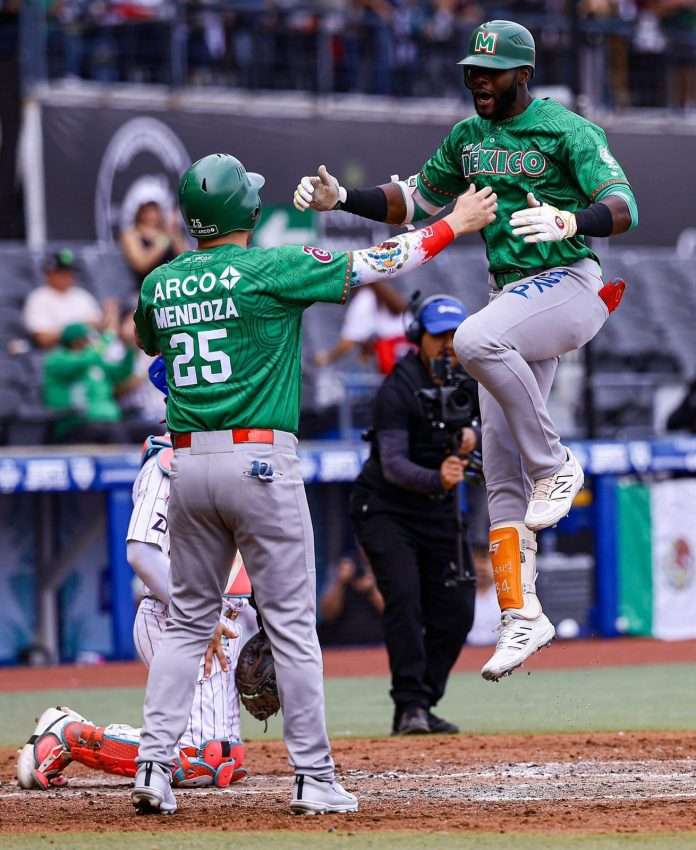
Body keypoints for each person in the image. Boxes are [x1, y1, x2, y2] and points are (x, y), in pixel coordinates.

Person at [130, 152, 496, 816]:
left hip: (184, 462)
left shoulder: (162, 281)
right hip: (259, 460)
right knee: (293, 625)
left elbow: (146, 342)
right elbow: (381, 262)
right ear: (244, 209)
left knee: (187, 624)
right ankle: (314, 777)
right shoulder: (271, 265)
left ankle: (153, 769)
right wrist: (455, 223)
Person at [292, 18, 638, 682]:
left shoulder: (567, 129)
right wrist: (345, 200)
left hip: (570, 285)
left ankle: (558, 462)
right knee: (501, 478)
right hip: (513, 297)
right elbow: (411, 201)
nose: (479, 79)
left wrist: (572, 219)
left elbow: (624, 207)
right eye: (472, 70)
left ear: (523, 74)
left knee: (474, 339)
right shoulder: (467, 137)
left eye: (492, 70)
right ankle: (520, 614)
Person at [16, 433, 252, 792]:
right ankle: (70, 734)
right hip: (178, 617)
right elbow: (142, 553)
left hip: (229, 619)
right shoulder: (170, 457)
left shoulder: (241, 449)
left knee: (224, 756)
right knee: (198, 758)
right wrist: (199, 614)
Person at [350, 293, 479, 735]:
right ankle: (409, 707)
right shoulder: (398, 387)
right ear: (418, 337)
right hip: (387, 508)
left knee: (459, 609)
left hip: (439, 511)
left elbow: (495, 425)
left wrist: (472, 436)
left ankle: (422, 699)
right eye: (439, 335)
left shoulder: (470, 379)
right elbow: (394, 463)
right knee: (405, 599)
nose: (448, 345)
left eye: (455, 336)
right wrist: (437, 478)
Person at [42, 322, 136, 443]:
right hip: (72, 421)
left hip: (109, 421)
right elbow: (82, 361)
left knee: (149, 429)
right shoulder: (57, 359)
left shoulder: (94, 360)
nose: (90, 343)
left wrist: (129, 349)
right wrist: (108, 337)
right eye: (86, 339)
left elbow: (120, 374)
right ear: (75, 341)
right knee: (113, 432)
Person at [23, 249, 117, 349]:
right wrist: (75, 330)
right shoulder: (38, 298)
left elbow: (97, 325)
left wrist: (110, 315)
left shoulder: (81, 295)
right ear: (48, 274)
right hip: (58, 353)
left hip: (89, 349)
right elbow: (42, 339)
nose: (66, 276)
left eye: (68, 272)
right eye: (60, 272)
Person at [313, 281, 412, 375]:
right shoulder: (384, 291)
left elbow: (348, 342)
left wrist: (327, 358)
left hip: (391, 356)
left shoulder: (365, 299)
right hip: (408, 355)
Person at [317, 555, 385, 646]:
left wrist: (373, 589)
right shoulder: (340, 567)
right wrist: (340, 582)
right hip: (342, 644)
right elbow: (327, 614)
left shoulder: (383, 567)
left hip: (376, 644)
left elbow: (391, 612)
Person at [120, 199, 188, 291]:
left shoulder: (169, 232)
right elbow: (142, 264)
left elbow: (186, 260)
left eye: (155, 210)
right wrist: (164, 240)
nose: (152, 215)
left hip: (174, 288)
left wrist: (175, 234)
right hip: (145, 291)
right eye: (147, 211)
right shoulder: (131, 235)